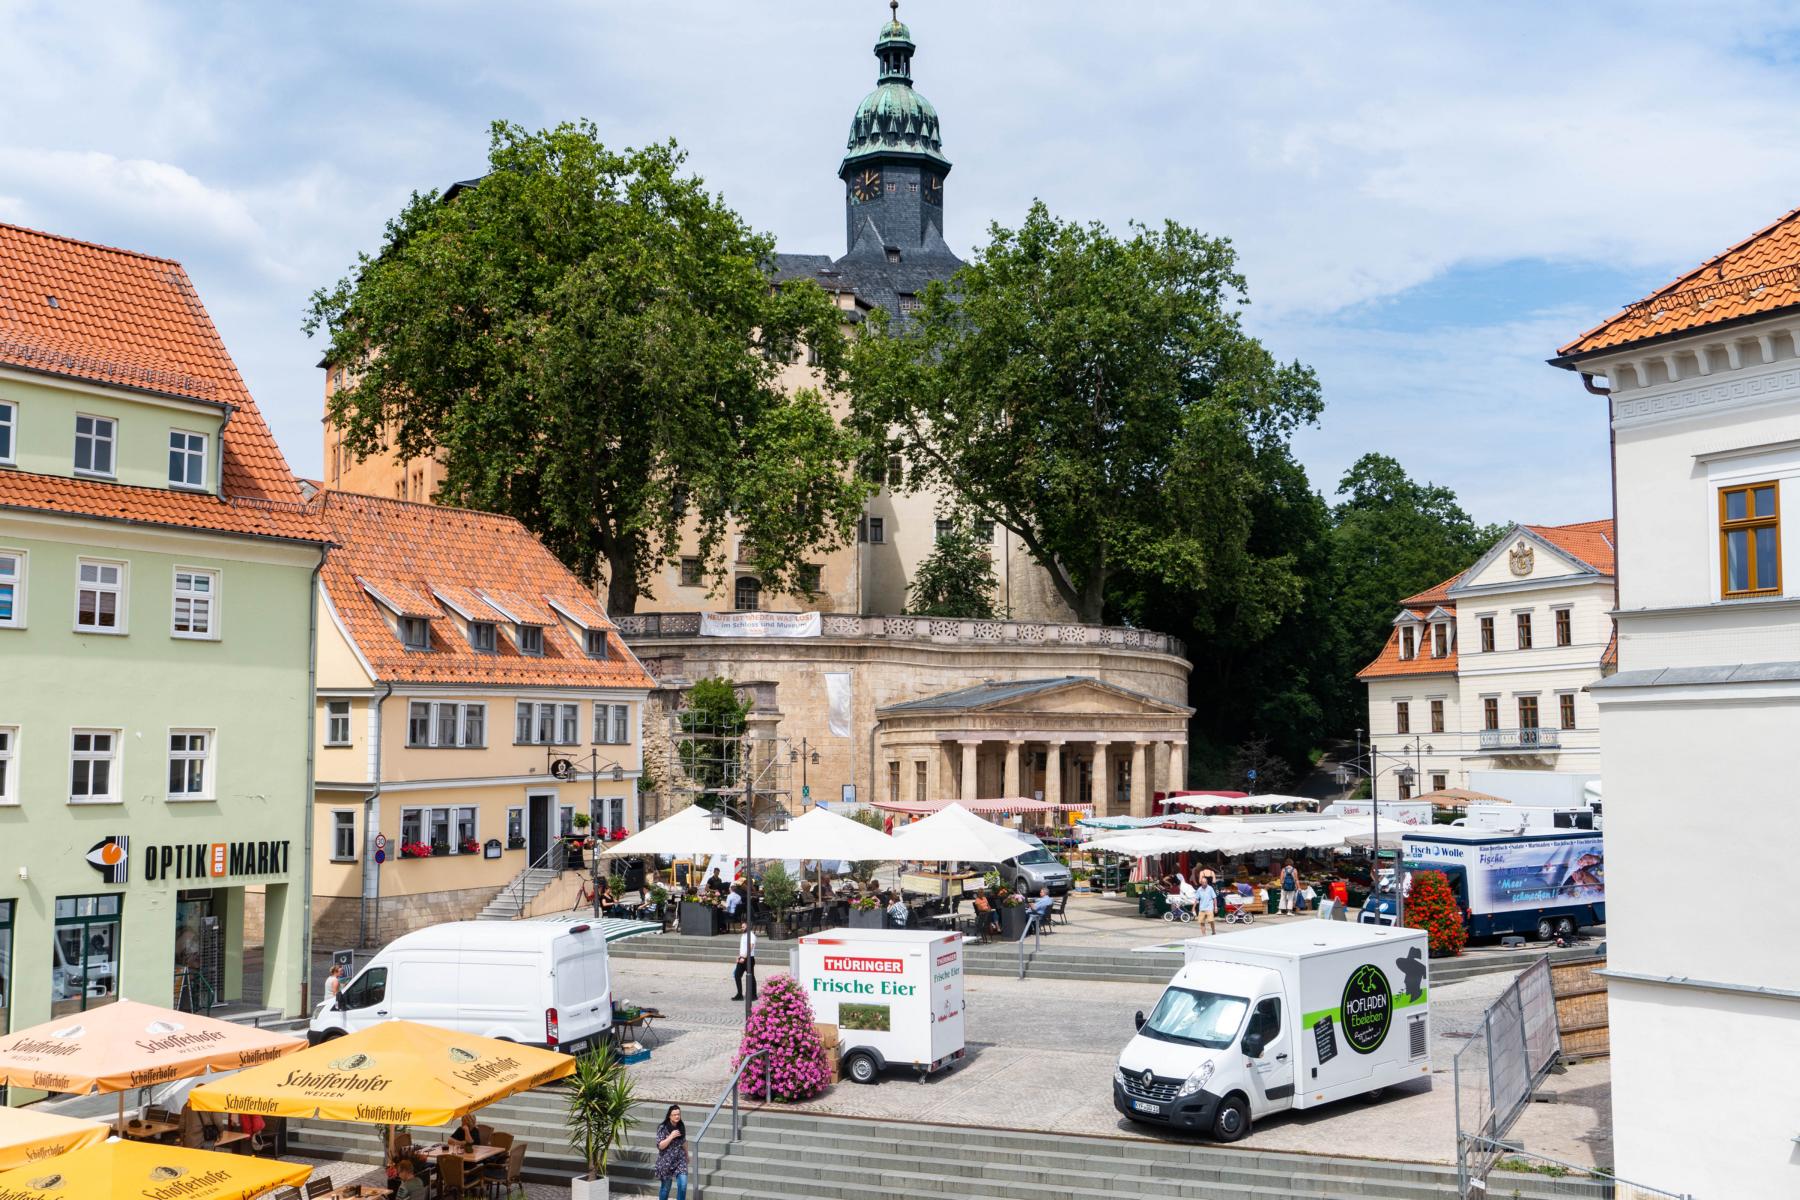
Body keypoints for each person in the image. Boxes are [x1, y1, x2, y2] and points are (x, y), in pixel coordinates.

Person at [654, 1104, 689, 1200]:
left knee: (683, 1185)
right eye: (674, 1114)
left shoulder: (681, 1126)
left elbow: (684, 1141)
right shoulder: (663, 1128)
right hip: (666, 1161)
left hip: (680, 1159)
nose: (677, 1116)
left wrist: (687, 1154)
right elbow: (660, 1146)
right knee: (665, 1188)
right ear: (669, 1116)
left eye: (678, 1114)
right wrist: (671, 1136)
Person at [732, 928, 757, 1001]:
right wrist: (739, 956)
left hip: (749, 958)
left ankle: (753, 995)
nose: (742, 928)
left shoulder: (751, 935)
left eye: (743, 926)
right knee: (737, 975)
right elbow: (743, 948)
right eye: (741, 926)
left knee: (751, 976)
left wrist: (744, 957)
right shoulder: (743, 935)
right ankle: (739, 994)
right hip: (742, 958)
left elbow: (750, 947)